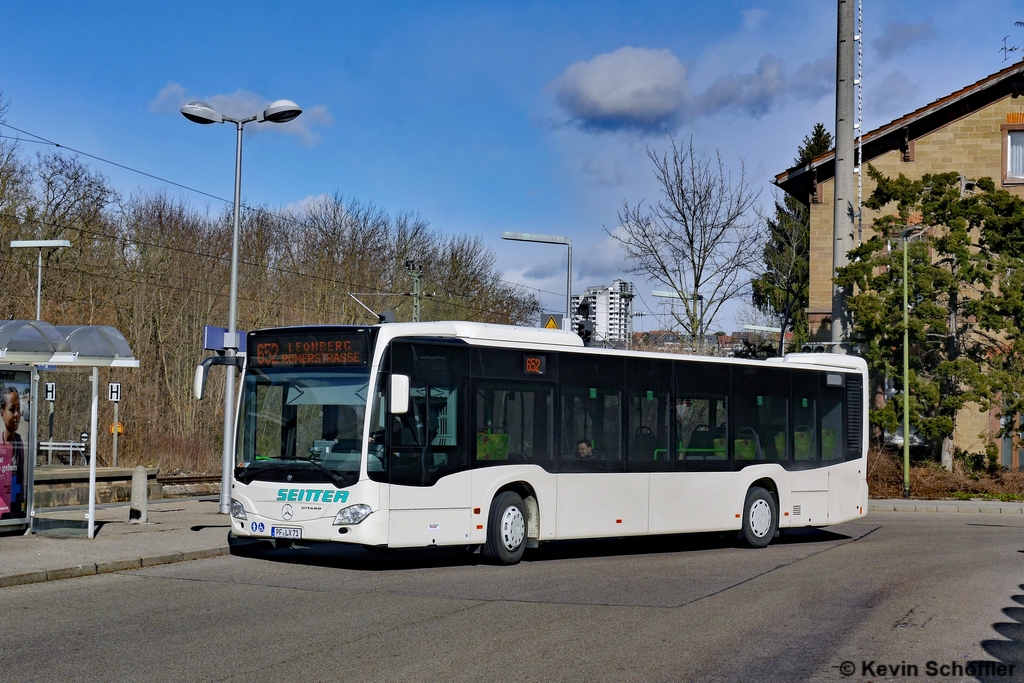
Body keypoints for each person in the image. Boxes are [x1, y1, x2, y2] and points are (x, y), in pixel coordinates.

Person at [0, 387, 25, 519]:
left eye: (18, 409)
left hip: (16, 512)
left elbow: (21, 477)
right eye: (11, 409)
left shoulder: (19, 442)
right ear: (2, 413)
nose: (17, 414)